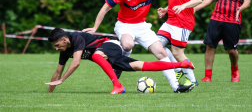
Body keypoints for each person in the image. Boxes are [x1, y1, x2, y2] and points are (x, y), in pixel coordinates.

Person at [82, 0, 200, 93]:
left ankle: (176, 87)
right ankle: (119, 64)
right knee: (127, 45)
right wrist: (95, 27)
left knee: (161, 52)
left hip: (142, 26)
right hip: (124, 25)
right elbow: (105, 8)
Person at [45, 28, 195, 94]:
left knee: (97, 56)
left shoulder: (76, 38)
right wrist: (49, 92)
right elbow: (57, 72)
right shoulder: (65, 50)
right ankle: (181, 64)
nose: (57, 48)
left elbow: (76, 62)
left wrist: (63, 80)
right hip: (107, 56)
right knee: (141, 66)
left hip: (111, 44)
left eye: (57, 45)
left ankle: (118, 86)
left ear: (64, 39)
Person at [194, 0, 252, 82]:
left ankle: (234, 70)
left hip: (233, 20)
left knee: (231, 50)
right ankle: (208, 76)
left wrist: (241, 7)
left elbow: (247, 0)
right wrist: (195, 8)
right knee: (210, 46)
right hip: (216, 18)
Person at [157, 0, 202, 86]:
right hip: (170, 21)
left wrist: (183, 6)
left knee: (177, 53)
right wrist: (166, 9)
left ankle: (193, 80)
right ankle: (178, 68)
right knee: (156, 45)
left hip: (183, 23)